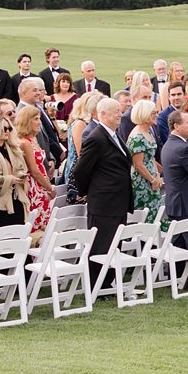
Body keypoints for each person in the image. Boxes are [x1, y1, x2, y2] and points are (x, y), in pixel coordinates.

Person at [75, 97, 134, 257]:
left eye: (120, 112)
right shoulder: (96, 138)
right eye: (116, 112)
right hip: (104, 204)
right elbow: (81, 170)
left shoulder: (115, 135)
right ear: (103, 114)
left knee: (114, 248)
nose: (120, 115)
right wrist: (86, 191)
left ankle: (110, 281)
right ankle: (98, 282)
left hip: (117, 203)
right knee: (101, 249)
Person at [13, 106, 56, 239]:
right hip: (35, 188)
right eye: (36, 119)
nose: (39, 122)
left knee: (45, 224)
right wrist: (49, 187)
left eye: (39, 119)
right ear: (27, 121)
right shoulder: (24, 142)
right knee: (35, 225)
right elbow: (35, 171)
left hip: (41, 186)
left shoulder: (34, 139)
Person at [126, 99, 163, 219]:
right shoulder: (137, 137)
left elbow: (151, 156)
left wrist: (157, 175)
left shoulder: (148, 132)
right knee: (145, 213)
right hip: (142, 181)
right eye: (153, 113)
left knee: (156, 210)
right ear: (145, 114)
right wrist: (152, 180)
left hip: (152, 177)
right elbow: (138, 164)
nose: (156, 115)